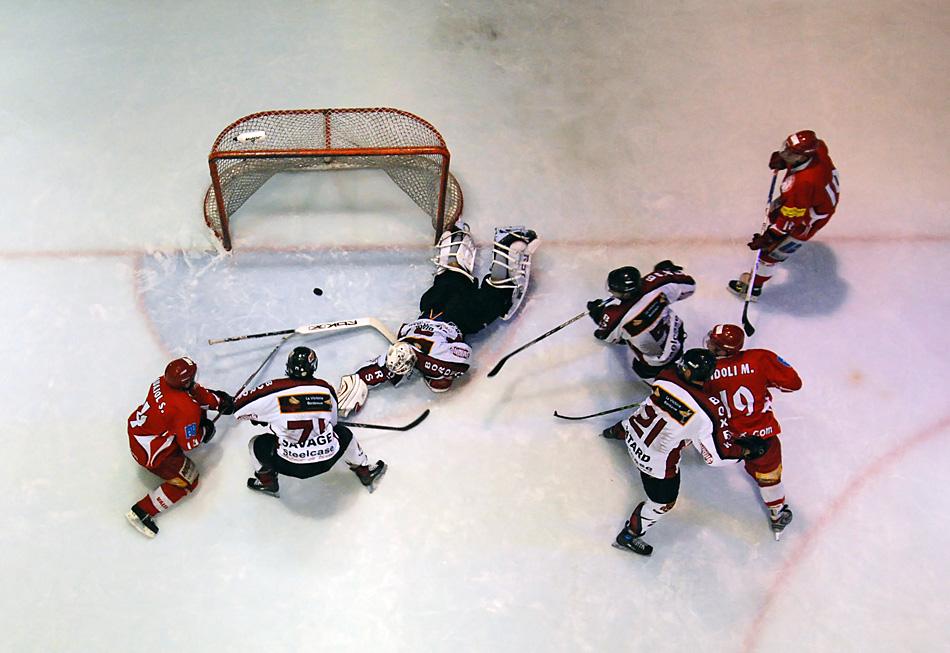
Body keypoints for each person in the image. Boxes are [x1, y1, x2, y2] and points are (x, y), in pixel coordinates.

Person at [336, 223, 540, 415]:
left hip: (461, 318)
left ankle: (505, 254)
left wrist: (418, 361)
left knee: (496, 296)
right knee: (450, 279)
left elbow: (464, 356)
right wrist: (353, 388)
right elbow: (367, 375)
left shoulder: (439, 363)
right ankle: (455, 244)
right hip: (431, 307)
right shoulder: (402, 354)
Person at [601, 349, 771, 556]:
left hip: (630, 435)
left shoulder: (665, 376)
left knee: (651, 417)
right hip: (654, 465)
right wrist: (746, 450)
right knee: (663, 503)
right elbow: (716, 457)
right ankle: (629, 535)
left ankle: (613, 431)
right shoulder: (708, 410)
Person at [234, 346, 386, 496]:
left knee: (256, 443)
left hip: (288, 464)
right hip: (327, 461)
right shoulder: (325, 388)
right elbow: (333, 423)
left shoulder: (272, 389)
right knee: (344, 433)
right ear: (313, 366)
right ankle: (364, 471)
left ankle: (267, 482)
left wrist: (259, 417)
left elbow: (237, 408)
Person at [703, 323, 802, 539]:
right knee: (769, 478)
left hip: (723, 440)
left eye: (714, 344)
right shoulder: (760, 358)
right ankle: (777, 514)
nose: (709, 344)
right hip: (762, 439)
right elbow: (793, 384)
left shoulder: (705, 368)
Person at [126, 357, 235, 538]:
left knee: (192, 414)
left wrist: (217, 402)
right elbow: (190, 443)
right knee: (188, 480)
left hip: (140, 433)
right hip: (152, 454)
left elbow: (193, 393)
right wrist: (204, 431)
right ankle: (141, 512)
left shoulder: (161, 382)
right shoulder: (185, 410)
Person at [729, 129, 841, 300]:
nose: (786, 154)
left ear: (804, 156)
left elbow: (791, 220)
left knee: (772, 252)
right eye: (786, 149)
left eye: (791, 154)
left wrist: (770, 237)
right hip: (813, 199)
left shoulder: (802, 184)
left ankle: (753, 288)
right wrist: (784, 160)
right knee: (775, 213)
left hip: (808, 219)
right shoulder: (818, 148)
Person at [586, 261, 696, 381]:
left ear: (626, 294)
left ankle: (661, 378)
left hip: (656, 361)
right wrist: (667, 272)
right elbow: (690, 286)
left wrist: (598, 315)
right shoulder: (659, 283)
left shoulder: (616, 316)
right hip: (676, 336)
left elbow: (606, 336)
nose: (612, 292)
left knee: (639, 366)